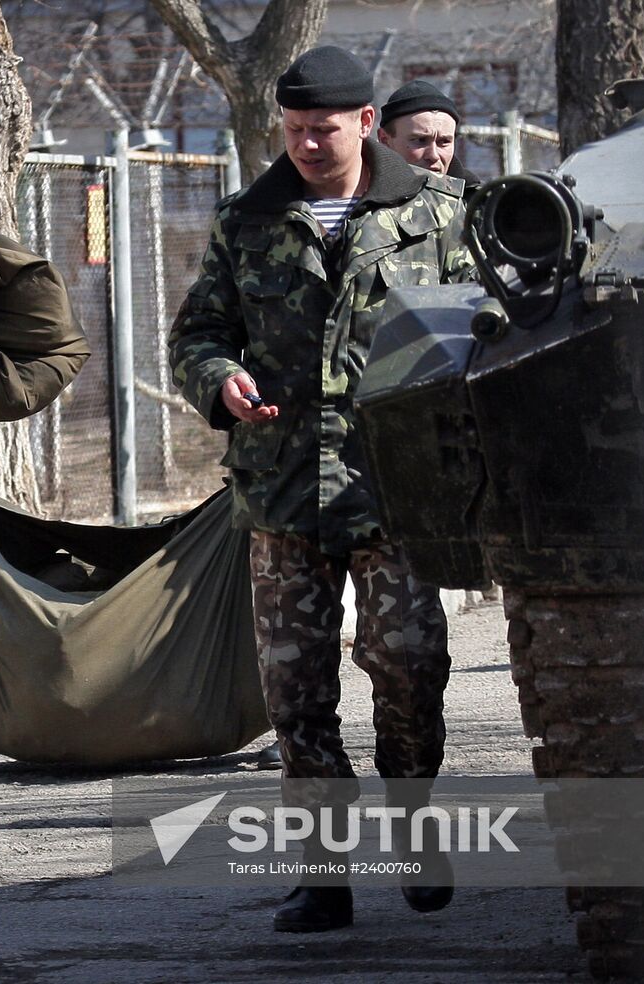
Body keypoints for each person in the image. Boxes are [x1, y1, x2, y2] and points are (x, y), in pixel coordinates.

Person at [168, 45, 476, 933]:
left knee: (410, 666)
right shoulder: (248, 220)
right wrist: (220, 379)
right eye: (295, 129)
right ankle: (323, 874)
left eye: (324, 129)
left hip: (396, 485)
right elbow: (199, 334)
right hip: (284, 490)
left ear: (366, 124)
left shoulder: (438, 213)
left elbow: (486, 323)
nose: (307, 144)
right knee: (297, 693)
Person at [377, 78, 481, 191]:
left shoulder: (474, 198)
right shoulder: (367, 194)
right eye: (420, 140)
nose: (434, 155)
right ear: (385, 140)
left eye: (444, 142)